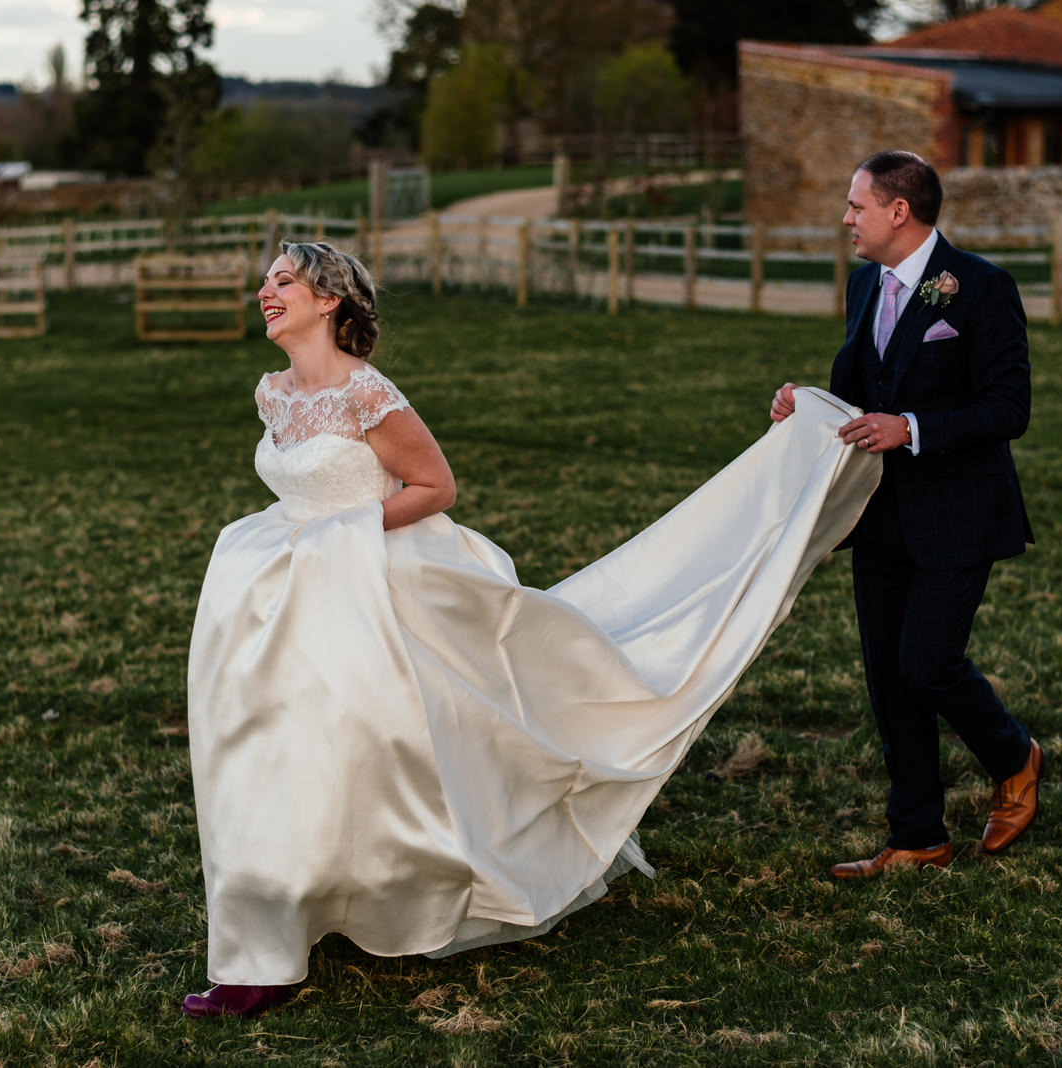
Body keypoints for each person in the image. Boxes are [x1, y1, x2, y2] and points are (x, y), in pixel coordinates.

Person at [181, 240, 882, 1018]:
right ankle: (277, 933)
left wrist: (336, 535)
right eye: (265, 282)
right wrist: (296, 542)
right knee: (273, 750)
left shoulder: (366, 392)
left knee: (386, 750)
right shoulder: (273, 393)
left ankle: (382, 898)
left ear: (329, 302)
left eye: (284, 282)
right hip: (292, 592)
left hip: (378, 584)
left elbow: (435, 486)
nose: (265, 293)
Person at [770, 150, 1042, 879]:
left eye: (857, 206)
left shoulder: (981, 287)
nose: (846, 218)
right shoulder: (864, 285)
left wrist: (912, 427)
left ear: (900, 211)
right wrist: (803, 410)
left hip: (959, 512)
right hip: (878, 512)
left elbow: (1008, 408)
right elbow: (859, 392)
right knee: (888, 678)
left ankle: (1015, 757)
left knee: (928, 666)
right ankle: (918, 836)